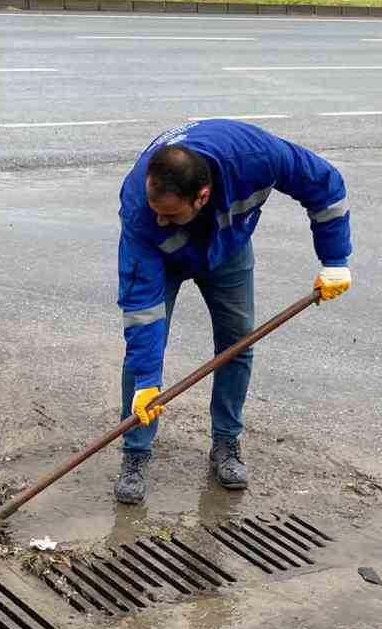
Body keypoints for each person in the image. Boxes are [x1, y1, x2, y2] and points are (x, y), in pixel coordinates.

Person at [115, 118, 352, 504]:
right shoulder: (143, 212)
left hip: (227, 247)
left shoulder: (258, 156)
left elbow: (324, 185)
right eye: (158, 211)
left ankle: (226, 442)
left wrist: (335, 260)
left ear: (203, 196)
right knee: (141, 359)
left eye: (171, 214)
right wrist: (146, 382)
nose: (162, 219)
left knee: (237, 343)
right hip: (162, 256)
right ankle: (135, 453)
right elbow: (142, 308)